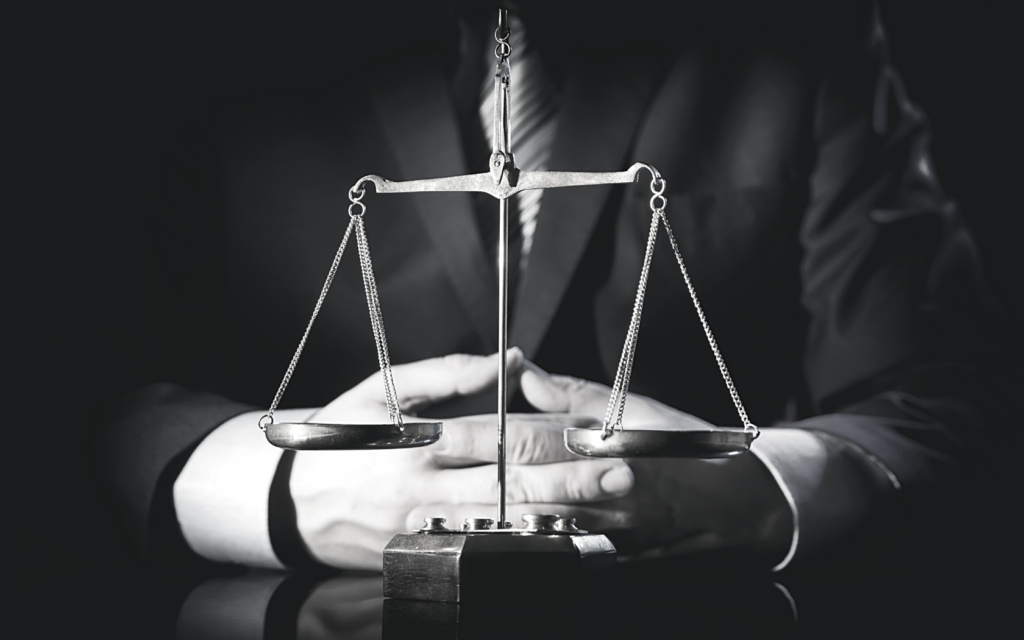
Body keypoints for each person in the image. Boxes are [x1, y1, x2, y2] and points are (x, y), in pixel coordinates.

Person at [95, 0, 1017, 578]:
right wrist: (281, 492)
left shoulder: (795, 29)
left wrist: (762, 489)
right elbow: (68, 390)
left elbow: (953, 391)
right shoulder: (201, 39)